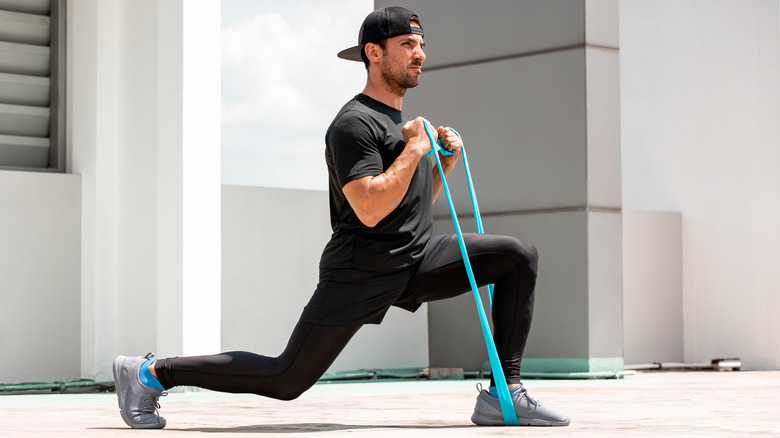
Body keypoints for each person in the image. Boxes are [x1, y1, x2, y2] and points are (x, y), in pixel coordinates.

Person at [112, 6, 570, 429]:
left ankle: (503, 394)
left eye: (421, 44)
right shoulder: (353, 124)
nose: (421, 55)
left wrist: (442, 167)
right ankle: (151, 373)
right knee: (285, 379)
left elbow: (406, 207)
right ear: (375, 53)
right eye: (408, 45)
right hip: (361, 269)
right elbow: (370, 209)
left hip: (412, 259)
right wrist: (414, 149)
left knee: (516, 256)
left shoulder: (400, 124)